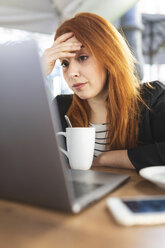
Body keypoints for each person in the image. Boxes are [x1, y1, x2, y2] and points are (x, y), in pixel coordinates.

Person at [43, 12, 165, 172]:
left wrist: (107, 158)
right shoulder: (61, 107)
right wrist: (34, 73)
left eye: (83, 57)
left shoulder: (152, 98)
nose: (72, 72)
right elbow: (19, 150)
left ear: (109, 57)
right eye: (65, 63)